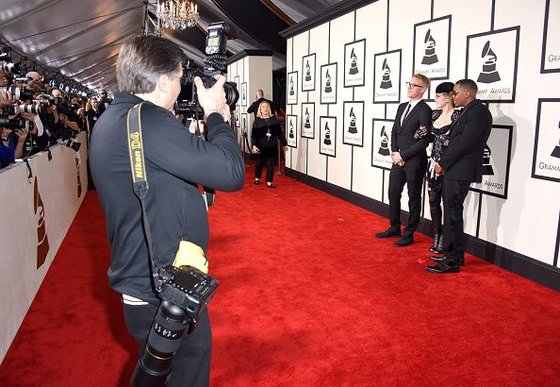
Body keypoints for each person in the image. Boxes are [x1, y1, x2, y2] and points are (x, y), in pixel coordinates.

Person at [89, 35, 245, 386]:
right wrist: (218, 116)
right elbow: (232, 173)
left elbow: (156, 180)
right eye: (178, 78)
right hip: (162, 289)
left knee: (159, 374)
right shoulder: (147, 122)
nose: (181, 87)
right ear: (162, 81)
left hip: (143, 277)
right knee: (186, 373)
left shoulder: (116, 118)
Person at [425, 79, 492, 274]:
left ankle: (451, 261)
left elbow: (464, 143)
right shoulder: (469, 111)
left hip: (459, 170)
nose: (453, 96)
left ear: (467, 94)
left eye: (456, 93)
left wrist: (443, 164)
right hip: (456, 169)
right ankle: (454, 255)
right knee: (452, 214)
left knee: (453, 215)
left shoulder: (479, 112)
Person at [376, 74, 432, 247]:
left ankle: (409, 233)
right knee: (393, 192)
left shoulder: (425, 110)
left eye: (414, 85)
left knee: (413, 197)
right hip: (397, 159)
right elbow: (394, 131)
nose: (409, 87)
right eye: (409, 83)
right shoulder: (402, 107)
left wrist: (403, 155)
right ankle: (394, 227)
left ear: (422, 89)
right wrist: (394, 152)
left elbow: (424, 140)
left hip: (414, 161)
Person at [426, 82, 460, 254]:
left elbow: (459, 144)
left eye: (438, 96)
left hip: (449, 167)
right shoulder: (434, 115)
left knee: (449, 205)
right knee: (433, 201)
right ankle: (437, 235)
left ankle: (447, 239)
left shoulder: (458, 116)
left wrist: (445, 163)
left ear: (447, 97)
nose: (435, 99)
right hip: (432, 165)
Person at [251, 100, 287, 188]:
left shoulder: (274, 119)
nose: (265, 108)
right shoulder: (257, 121)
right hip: (261, 146)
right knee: (259, 164)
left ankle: (269, 182)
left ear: (269, 109)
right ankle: (257, 178)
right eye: (263, 107)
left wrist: (284, 143)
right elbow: (254, 135)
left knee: (271, 165)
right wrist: (254, 145)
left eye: (267, 107)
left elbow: (279, 132)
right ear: (260, 109)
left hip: (272, 146)